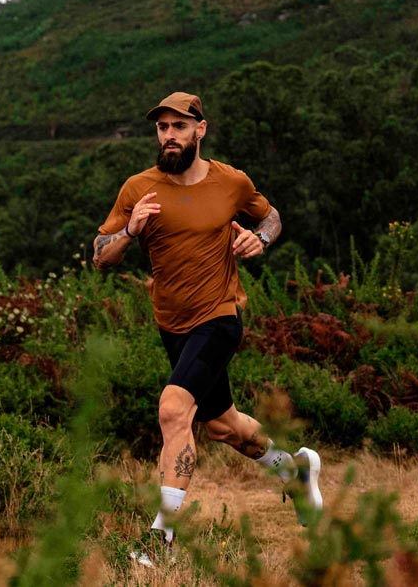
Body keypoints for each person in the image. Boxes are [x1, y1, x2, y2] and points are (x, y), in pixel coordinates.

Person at [93, 91, 322, 567]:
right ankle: (296, 471)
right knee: (224, 426)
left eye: (179, 126)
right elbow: (100, 256)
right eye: (162, 128)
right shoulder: (138, 188)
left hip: (219, 317)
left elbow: (273, 217)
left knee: (174, 409)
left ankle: (161, 539)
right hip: (172, 326)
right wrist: (130, 232)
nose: (169, 136)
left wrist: (259, 240)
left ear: (201, 129)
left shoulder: (230, 183)